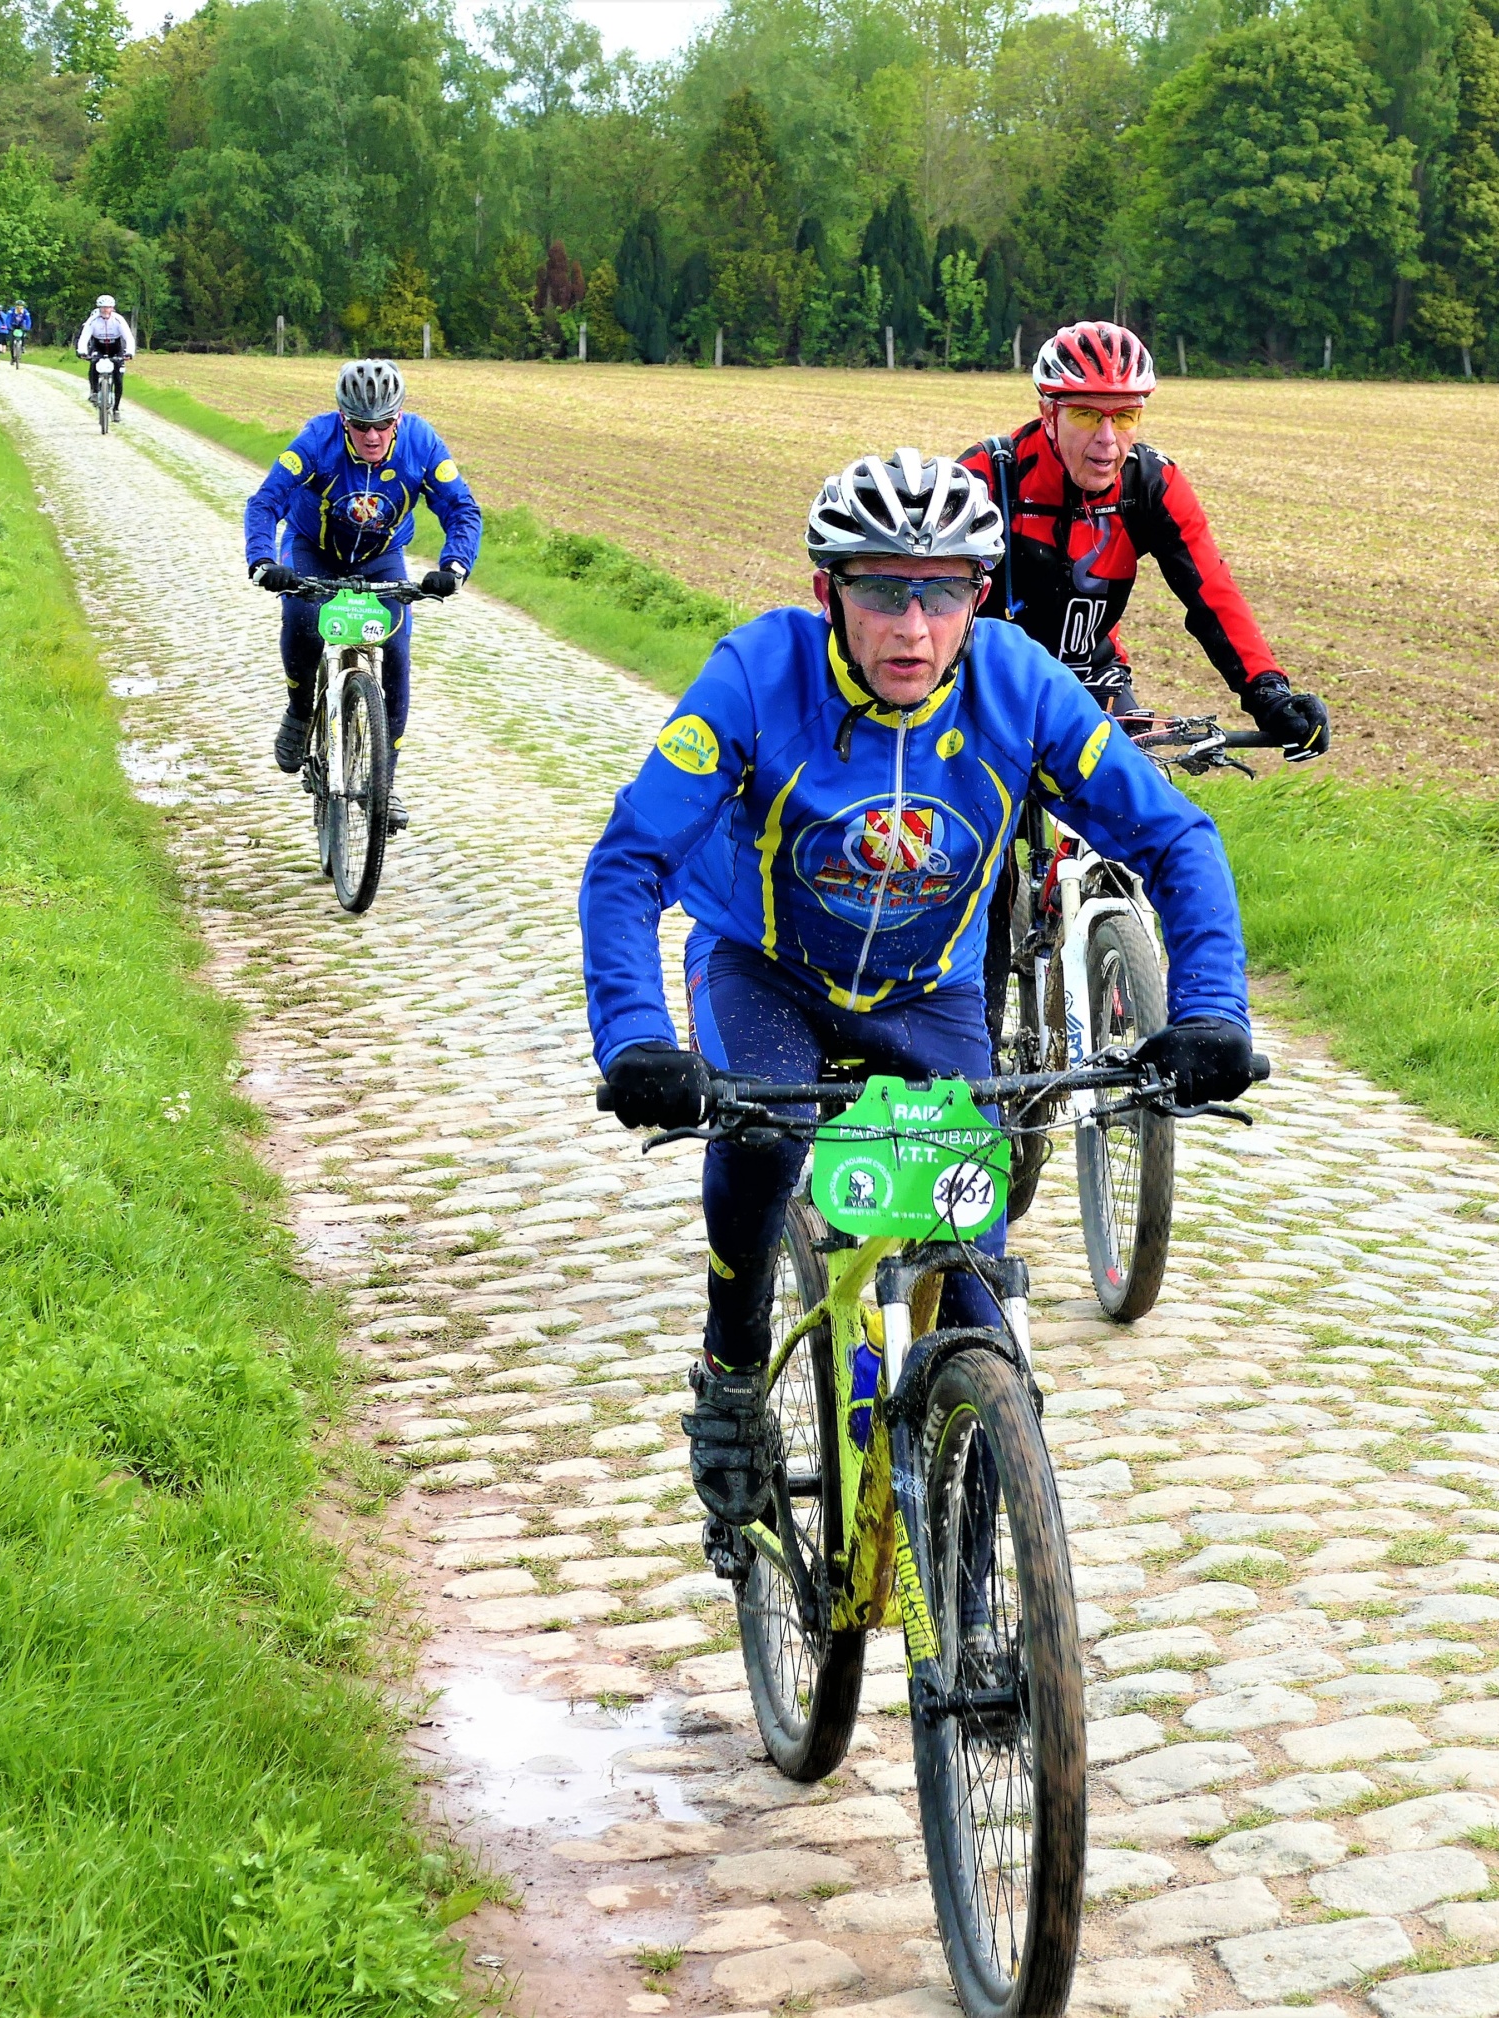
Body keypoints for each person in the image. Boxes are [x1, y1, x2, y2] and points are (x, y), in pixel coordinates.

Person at [577, 448, 1255, 1551]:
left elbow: (1174, 835)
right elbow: (627, 863)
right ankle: (734, 1369)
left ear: (978, 597)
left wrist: (1213, 1008)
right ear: (826, 593)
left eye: (942, 591)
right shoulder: (757, 673)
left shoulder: (1017, 683)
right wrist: (637, 1039)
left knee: (976, 1276)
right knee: (767, 1132)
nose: (912, 625)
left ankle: (990, 1543)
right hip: (766, 969)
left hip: (925, 991)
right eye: (881, 588)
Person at [956, 321, 1329, 757]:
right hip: (985, 681)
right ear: (1049, 414)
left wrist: (1268, 691)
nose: (1107, 441)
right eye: (1086, 414)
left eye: (1125, 416)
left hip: (1093, 680)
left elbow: (1212, 593)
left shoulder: (1150, 485)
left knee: (1135, 815)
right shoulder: (990, 476)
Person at [242, 357, 481, 835]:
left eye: (383, 425)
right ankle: (298, 709)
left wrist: (454, 568)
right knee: (303, 621)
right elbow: (266, 500)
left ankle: (384, 780)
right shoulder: (316, 439)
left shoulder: (421, 443)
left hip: (381, 555)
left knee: (395, 649)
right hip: (313, 548)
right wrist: (264, 561)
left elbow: (461, 508)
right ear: (342, 418)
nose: (372, 437)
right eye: (359, 426)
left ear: (399, 418)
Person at [72, 293, 136, 404]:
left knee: (118, 379)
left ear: (112, 308)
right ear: (99, 308)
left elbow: (128, 337)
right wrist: (82, 351)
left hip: (116, 347)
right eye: (103, 308)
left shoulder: (118, 320)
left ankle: (116, 408)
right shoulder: (92, 320)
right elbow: (84, 337)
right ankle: (95, 392)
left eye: (108, 307)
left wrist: (130, 352)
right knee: (94, 364)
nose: (105, 310)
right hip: (99, 346)